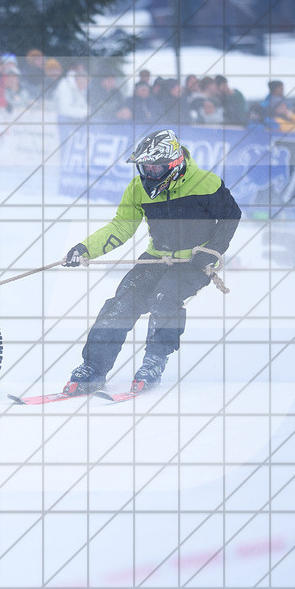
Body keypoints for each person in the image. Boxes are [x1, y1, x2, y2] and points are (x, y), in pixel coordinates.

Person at [62, 129, 241, 395]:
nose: (149, 173)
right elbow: (120, 228)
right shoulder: (137, 189)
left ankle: (154, 361)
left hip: (195, 262)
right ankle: (93, 368)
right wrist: (85, 248)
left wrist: (211, 250)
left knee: (164, 297)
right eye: (145, 167)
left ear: (173, 164)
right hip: (157, 258)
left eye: (155, 167)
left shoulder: (206, 183)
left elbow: (231, 215)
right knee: (121, 302)